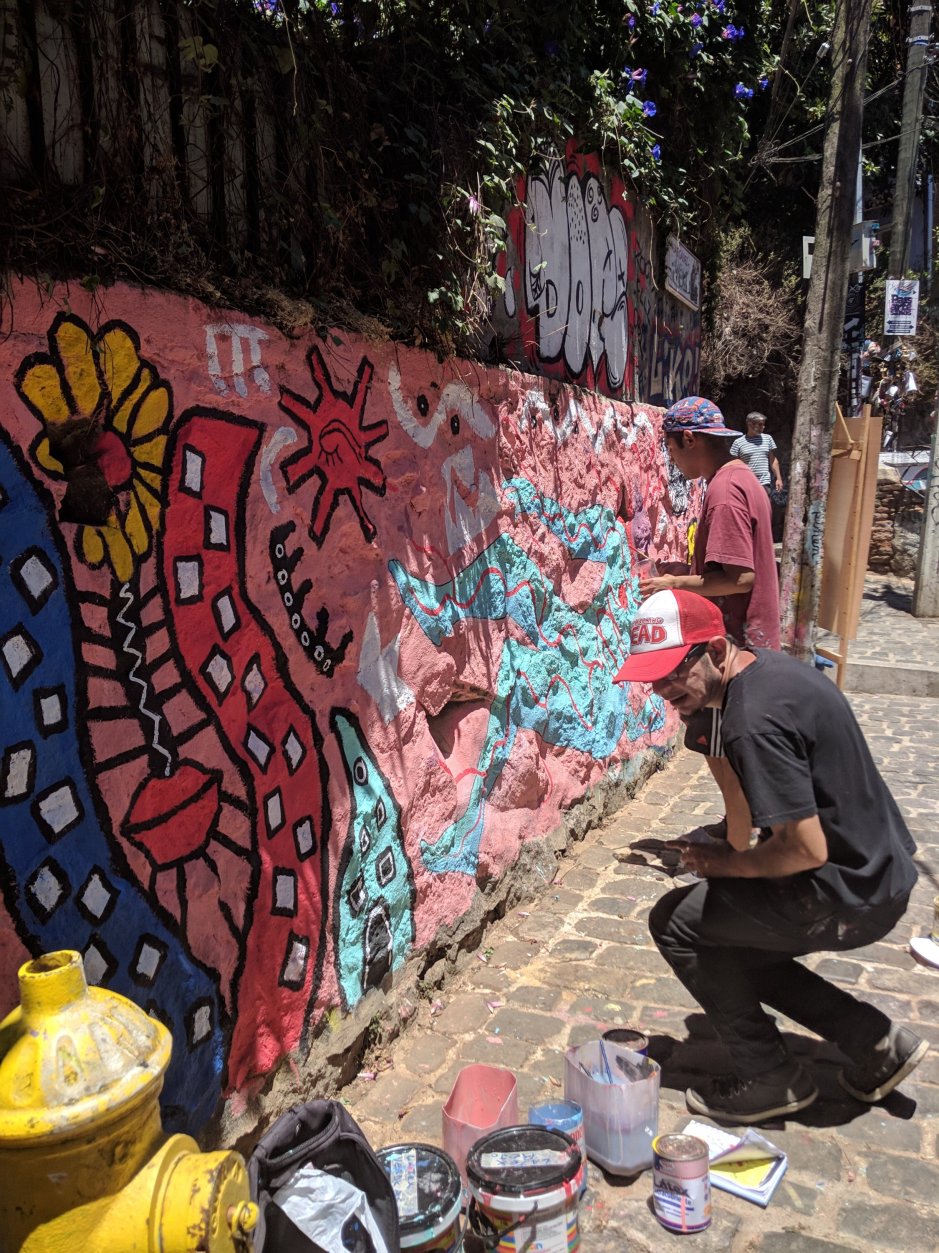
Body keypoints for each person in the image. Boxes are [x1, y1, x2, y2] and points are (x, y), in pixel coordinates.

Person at [615, 589, 928, 1123]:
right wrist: (733, 858)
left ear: (716, 650)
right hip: (880, 872)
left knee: (676, 922)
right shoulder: (770, 672)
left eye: (672, 672)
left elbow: (804, 848)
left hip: (849, 893)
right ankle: (875, 1043)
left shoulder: (751, 720)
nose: (663, 689)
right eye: (653, 678)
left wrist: (721, 864)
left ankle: (770, 1077)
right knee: (730, 937)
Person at [640, 395, 779, 851]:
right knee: (725, 747)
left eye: (671, 449)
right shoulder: (742, 478)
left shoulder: (723, 490)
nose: (673, 460)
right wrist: (686, 572)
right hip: (746, 637)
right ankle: (738, 828)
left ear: (689, 439)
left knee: (721, 749)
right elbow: (727, 570)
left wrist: (671, 584)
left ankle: (738, 852)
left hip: (733, 644)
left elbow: (739, 578)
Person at [730, 412, 784, 498]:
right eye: (760, 424)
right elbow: (733, 464)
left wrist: (779, 478)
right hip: (746, 483)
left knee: (764, 505)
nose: (763, 427)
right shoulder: (738, 443)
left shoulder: (768, 439)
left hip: (764, 483)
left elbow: (773, 460)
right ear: (750, 424)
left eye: (763, 424)